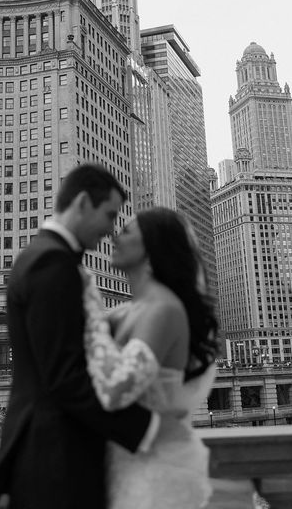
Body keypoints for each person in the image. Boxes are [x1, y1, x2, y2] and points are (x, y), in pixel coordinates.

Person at [0, 164, 155, 509]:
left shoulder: (41, 257)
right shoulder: (52, 264)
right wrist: (143, 427)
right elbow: (64, 376)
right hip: (56, 462)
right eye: (109, 214)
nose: (111, 230)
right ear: (81, 203)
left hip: (50, 455)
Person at [82, 207, 218, 509]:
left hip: (159, 479)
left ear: (151, 248)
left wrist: (90, 302)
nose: (114, 237)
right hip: (127, 468)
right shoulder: (130, 311)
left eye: (127, 231)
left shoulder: (164, 310)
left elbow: (117, 389)